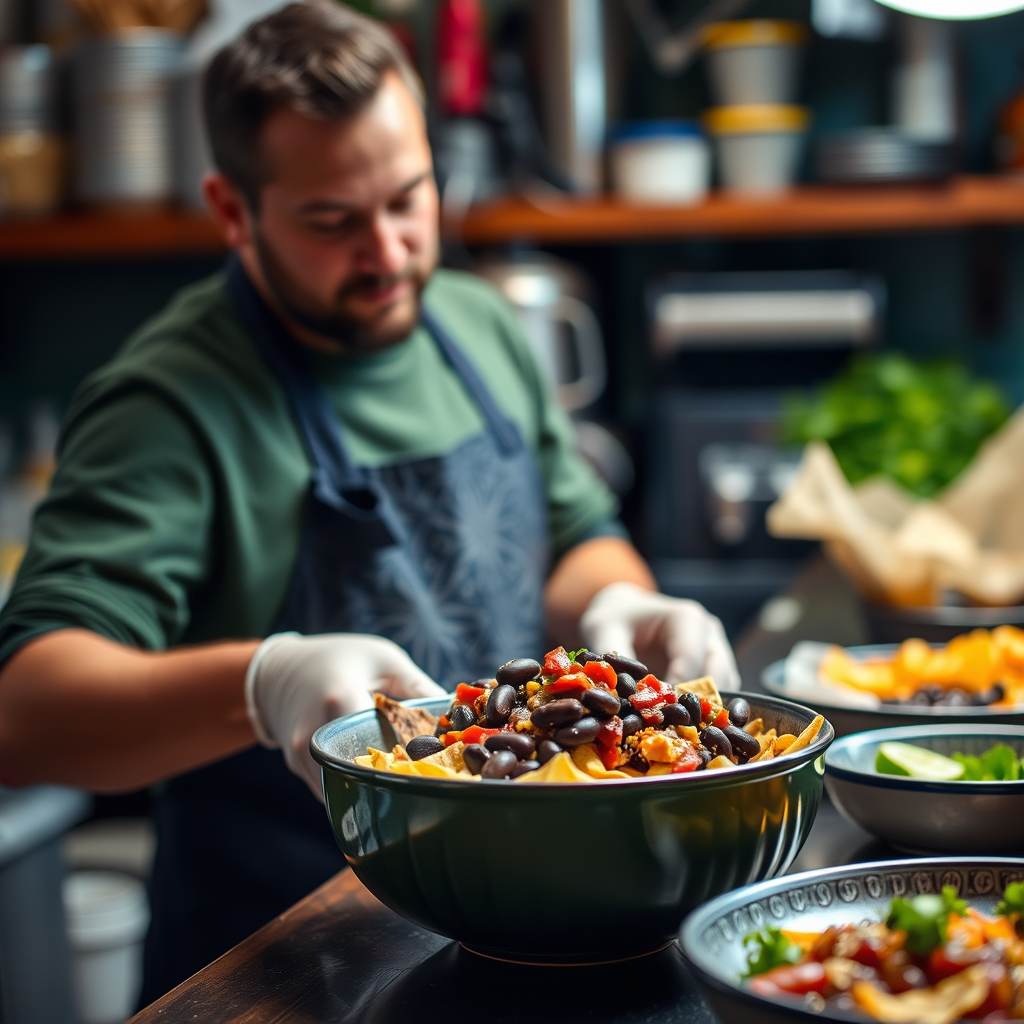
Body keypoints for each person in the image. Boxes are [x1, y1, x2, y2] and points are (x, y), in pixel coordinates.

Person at [0, 0, 738, 1004]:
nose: (388, 253)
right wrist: (264, 684)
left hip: (523, 926)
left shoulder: (475, 325)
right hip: (289, 962)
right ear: (232, 211)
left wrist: (621, 607)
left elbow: (572, 535)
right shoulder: (165, 403)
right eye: (332, 222)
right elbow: (28, 713)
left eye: (408, 197)